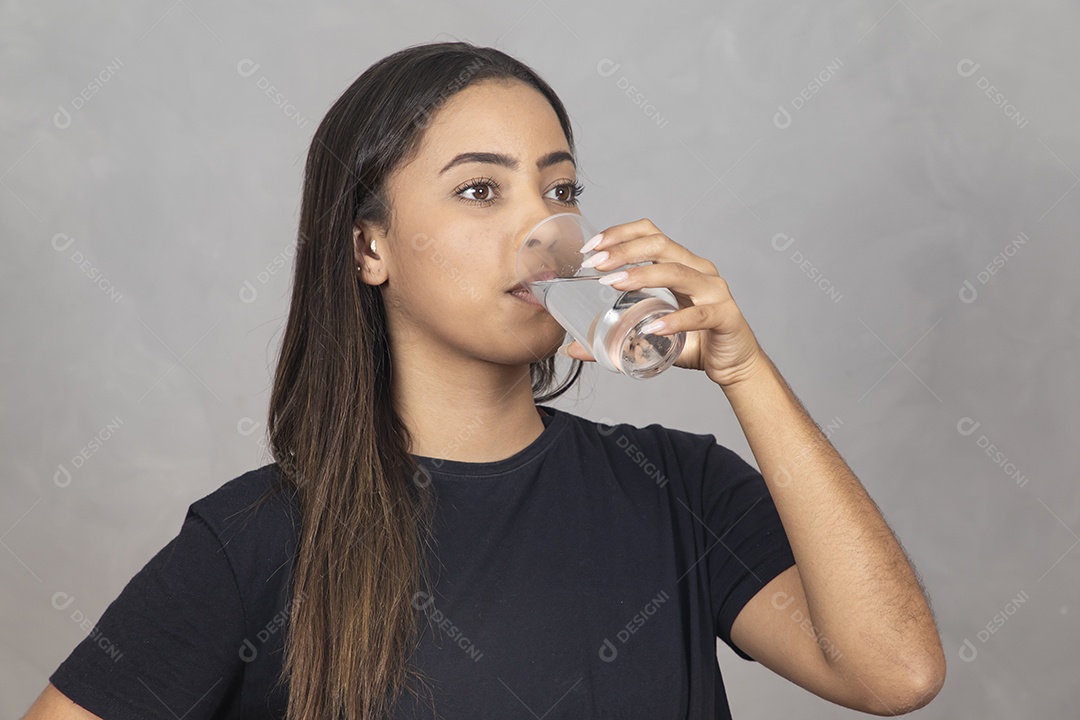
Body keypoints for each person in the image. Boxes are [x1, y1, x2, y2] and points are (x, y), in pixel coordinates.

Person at [24, 42, 946, 720]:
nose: (541, 228)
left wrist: (747, 372)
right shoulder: (260, 538)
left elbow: (894, 671)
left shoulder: (680, 490)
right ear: (368, 246)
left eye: (560, 190)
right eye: (479, 191)